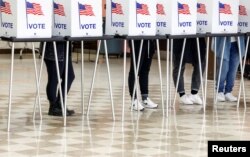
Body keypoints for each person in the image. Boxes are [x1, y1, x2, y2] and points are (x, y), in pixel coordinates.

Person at [40, 41, 75, 116]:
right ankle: (53, 106)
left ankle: (60, 103)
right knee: (54, 78)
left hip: (65, 47)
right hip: (52, 48)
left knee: (69, 76)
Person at [172, 38, 206, 105]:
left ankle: (194, 93)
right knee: (179, 64)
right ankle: (181, 94)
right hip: (181, 36)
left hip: (198, 37)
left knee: (201, 62)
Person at [128, 40, 158, 111]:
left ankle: (145, 98)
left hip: (150, 41)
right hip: (137, 41)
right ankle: (134, 100)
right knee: (135, 71)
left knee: (145, 70)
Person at [213, 36, 245, 102]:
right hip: (222, 41)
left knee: (233, 69)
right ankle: (219, 91)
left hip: (237, 42)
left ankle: (228, 91)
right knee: (223, 67)